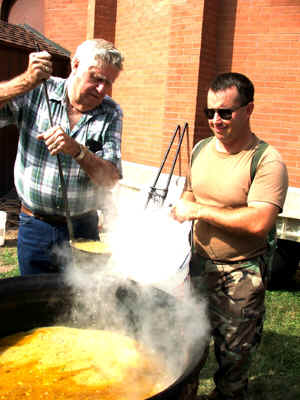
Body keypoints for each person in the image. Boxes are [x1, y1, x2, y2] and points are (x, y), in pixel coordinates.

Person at [170, 72, 288, 400]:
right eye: (210, 113)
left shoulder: (266, 161)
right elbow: (193, 192)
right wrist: (183, 206)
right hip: (197, 266)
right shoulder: (201, 149)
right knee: (186, 349)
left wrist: (199, 212)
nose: (216, 121)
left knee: (234, 357)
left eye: (225, 112)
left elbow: (259, 222)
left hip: (241, 275)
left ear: (248, 109)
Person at [0, 38, 124, 275]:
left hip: (83, 229)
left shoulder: (111, 112)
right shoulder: (36, 91)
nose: (102, 90)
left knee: (84, 305)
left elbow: (110, 179)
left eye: (108, 82)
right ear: (75, 65)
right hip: (34, 225)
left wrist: (78, 151)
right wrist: (26, 80)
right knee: (35, 303)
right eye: (97, 78)